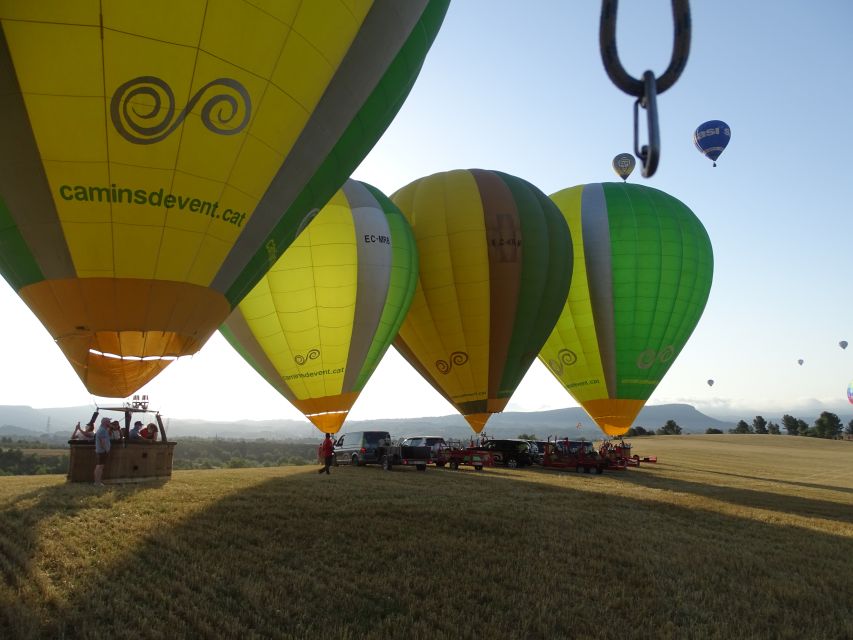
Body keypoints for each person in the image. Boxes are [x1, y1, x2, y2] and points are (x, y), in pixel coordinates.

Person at [94, 417, 111, 486]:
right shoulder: (103, 430)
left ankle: (97, 482)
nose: (110, 423)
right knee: (99, 467)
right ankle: (97, 482)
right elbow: (102, 442)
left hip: (100, 451)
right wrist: (107, 450)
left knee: (99, 466)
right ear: (105, 422)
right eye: (109, 422)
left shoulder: (102, 429)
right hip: (102, 451)